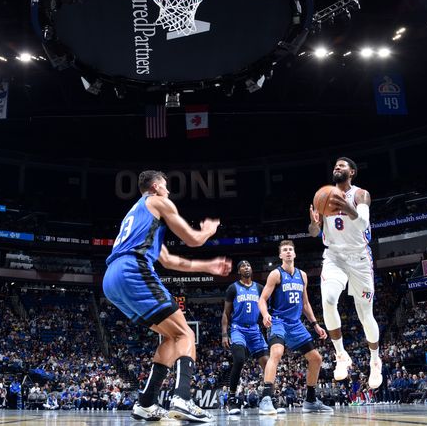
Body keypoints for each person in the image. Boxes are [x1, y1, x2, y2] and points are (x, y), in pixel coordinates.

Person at [103, 170, 230, 422]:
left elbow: (169, 260)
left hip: (111, 279)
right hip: (132, 270)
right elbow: (193, 240)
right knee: (186, 334)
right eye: (166, 186)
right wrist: (207, 231)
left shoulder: (138, 216)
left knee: (171, 338)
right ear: (155, 187)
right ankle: (182, 398)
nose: (169, 191)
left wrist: (208, 266)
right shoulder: (158, 201)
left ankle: (146, 403)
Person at [308, 157, 382, 388]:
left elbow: (363, 225)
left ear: (352, 172)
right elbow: (312, 233)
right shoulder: (324, 196)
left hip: (359, 258)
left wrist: (346, 207)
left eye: (342, 166)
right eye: (335, 166)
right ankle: (341, 354)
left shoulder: (360, 195)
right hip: (334, 256)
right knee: (329, 300)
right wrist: (315, 225)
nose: (336, 168)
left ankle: (375, 360)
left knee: (365, 316)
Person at [257, 239, 332, 415]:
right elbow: (262, 299)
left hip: (296, 323)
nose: (289, 251)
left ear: (295, 253)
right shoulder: (275, 274)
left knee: (316, 358)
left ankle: (311, 400)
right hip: (278, 321)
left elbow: (305, 303)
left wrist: (315, 325)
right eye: (285, 249)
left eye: (291, 249)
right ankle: (266, 398)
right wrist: (265, 314)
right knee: (276, 353)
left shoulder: (302, 275)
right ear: (280, 255)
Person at [221, 259, 269, 415]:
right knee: (240, 359)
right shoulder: (233, 288)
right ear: (239, 271)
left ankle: (269, 398)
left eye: (248, 265)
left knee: (267, 364)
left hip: (255, 329)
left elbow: (266, 306)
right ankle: (232, 398)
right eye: (243, 266)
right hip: (238, 329)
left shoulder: (260, 288)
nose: (246, 267)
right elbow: (226, 313)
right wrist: (224, 334)